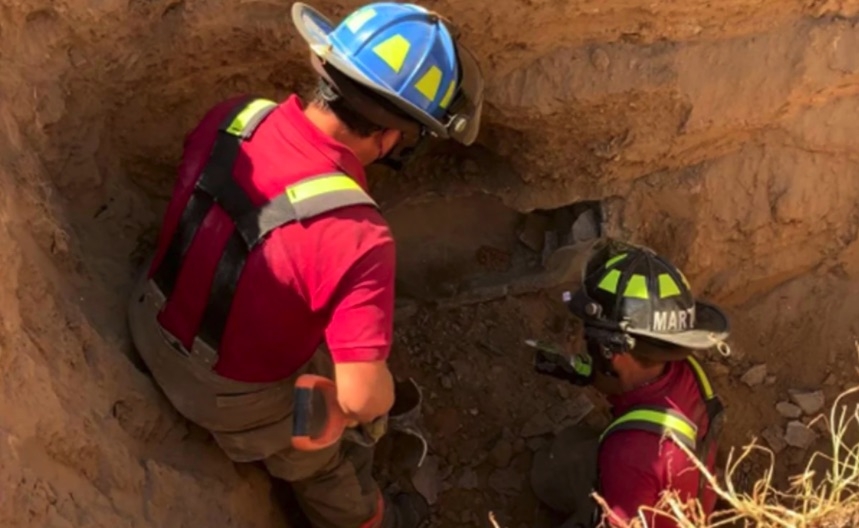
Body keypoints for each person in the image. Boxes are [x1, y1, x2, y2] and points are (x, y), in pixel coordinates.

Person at [126, 2, 484, 527]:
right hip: (217, 395)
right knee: (326, 442)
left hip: (146, 316)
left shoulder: (233, 116)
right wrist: (370, 402)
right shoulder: (357, 235)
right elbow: (361, 396)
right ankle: (368, 517)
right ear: (390, 137)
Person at [530, 238, 730, 527]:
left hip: (634, 490)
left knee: (553, 468)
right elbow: (631, 381)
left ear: (616, 353)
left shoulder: (629, 453)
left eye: (591, 337)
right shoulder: (687, 372)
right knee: (575, 447)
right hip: (685, 497)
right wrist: (589, 372)